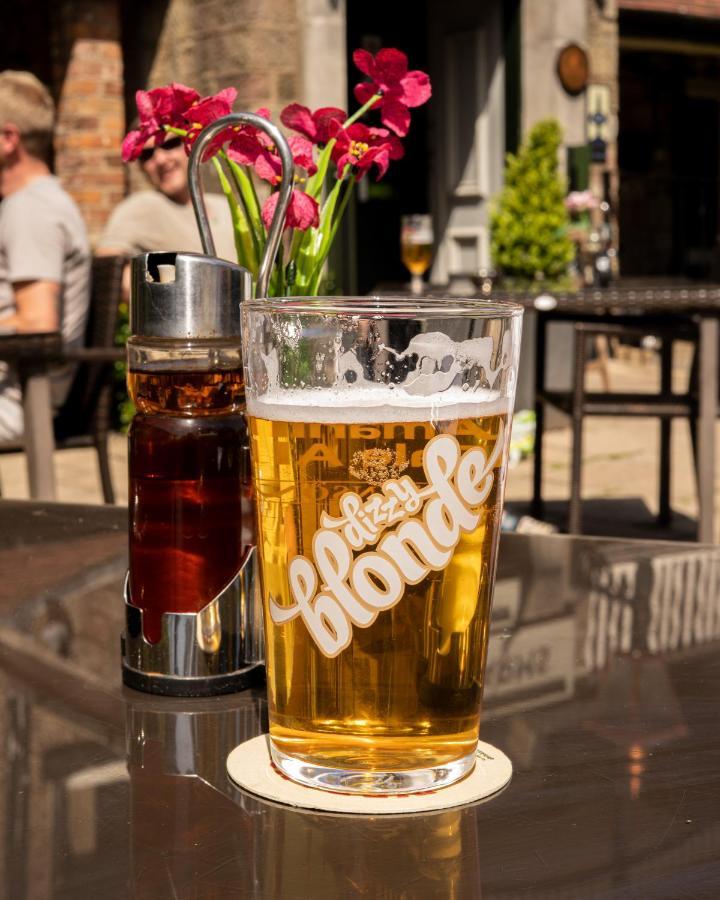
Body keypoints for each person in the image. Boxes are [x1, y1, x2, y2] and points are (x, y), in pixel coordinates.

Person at [0, 70, 90, 444]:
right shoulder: (33, 203)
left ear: (8, 139)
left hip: (18, 401)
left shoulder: (31, 210)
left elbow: (37, 321)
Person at [97, 131, 236, 268]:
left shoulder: (226, 206)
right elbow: (108, 268)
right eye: (147, 154)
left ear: (193, 144)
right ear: (141, 168)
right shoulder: (145, 206)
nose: (160, 159)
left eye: (169, 144)